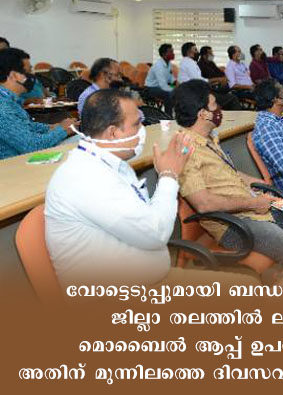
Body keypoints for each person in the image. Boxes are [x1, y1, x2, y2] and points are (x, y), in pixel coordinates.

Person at [44, 89, 193, 286]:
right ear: (113, 132)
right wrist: (169, 175)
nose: (143, 130)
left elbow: (146, 220)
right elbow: (156, 233)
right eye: (137, 124)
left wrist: (168, 174)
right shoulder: (86, 177)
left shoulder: (109, 163)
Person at [172, 80, 283, 265]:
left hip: (254, 207)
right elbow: (204, 204)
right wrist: (253, 203)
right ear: (203, 113)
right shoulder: (185, 151)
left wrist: (259, 185)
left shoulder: (208, 139)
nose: (219, 109)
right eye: (214, 105)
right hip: (234, 225)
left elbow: (227, 172)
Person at [0, 48, 76, 160]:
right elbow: (32, 146)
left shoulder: (10, 100)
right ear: (14, 75)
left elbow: (27, 126)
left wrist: (53, 127)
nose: (32, 76)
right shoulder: (3, 108)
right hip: (18, 165)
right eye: (28, 72)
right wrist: (63, 130)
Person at [179, 42, 240, 110]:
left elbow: (219, 73)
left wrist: (223, 77)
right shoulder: (190, 63)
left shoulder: (191, 62)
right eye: (195, 50)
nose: (198, 52)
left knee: (233, 90)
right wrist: (218, 80)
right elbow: (200, 81)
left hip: (204, 90)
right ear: (189, 52)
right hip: (199, 94)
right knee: (233, 98)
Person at [144, 43, 175, 116]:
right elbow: (163, 85)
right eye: (170, 52)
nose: (173, 54)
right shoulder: (158, 66)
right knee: (169, 93)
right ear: (164, 54)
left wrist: (175, 86)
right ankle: (168, 116)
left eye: (172, 51)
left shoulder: (169, 65)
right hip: (151, 88)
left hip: (161, 87)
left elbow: (171, 80)